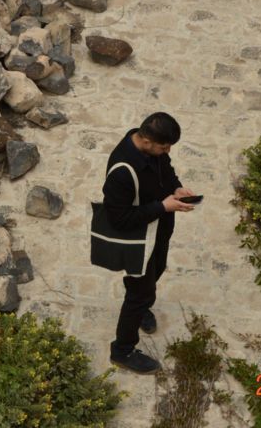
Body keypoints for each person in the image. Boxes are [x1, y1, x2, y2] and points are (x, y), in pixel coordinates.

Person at [101, 112, 195, 374]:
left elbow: (166, 170)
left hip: (159, 230)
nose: (167, 152)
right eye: (164, 147)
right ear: (146, 141)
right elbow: (118, 219)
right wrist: (162, 206)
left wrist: (176, 189)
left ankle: (142, 305)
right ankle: (122, 351)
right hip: (138, 240)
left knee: (159, 269)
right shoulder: (121, 172)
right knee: (139, 294)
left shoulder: (154, 149)